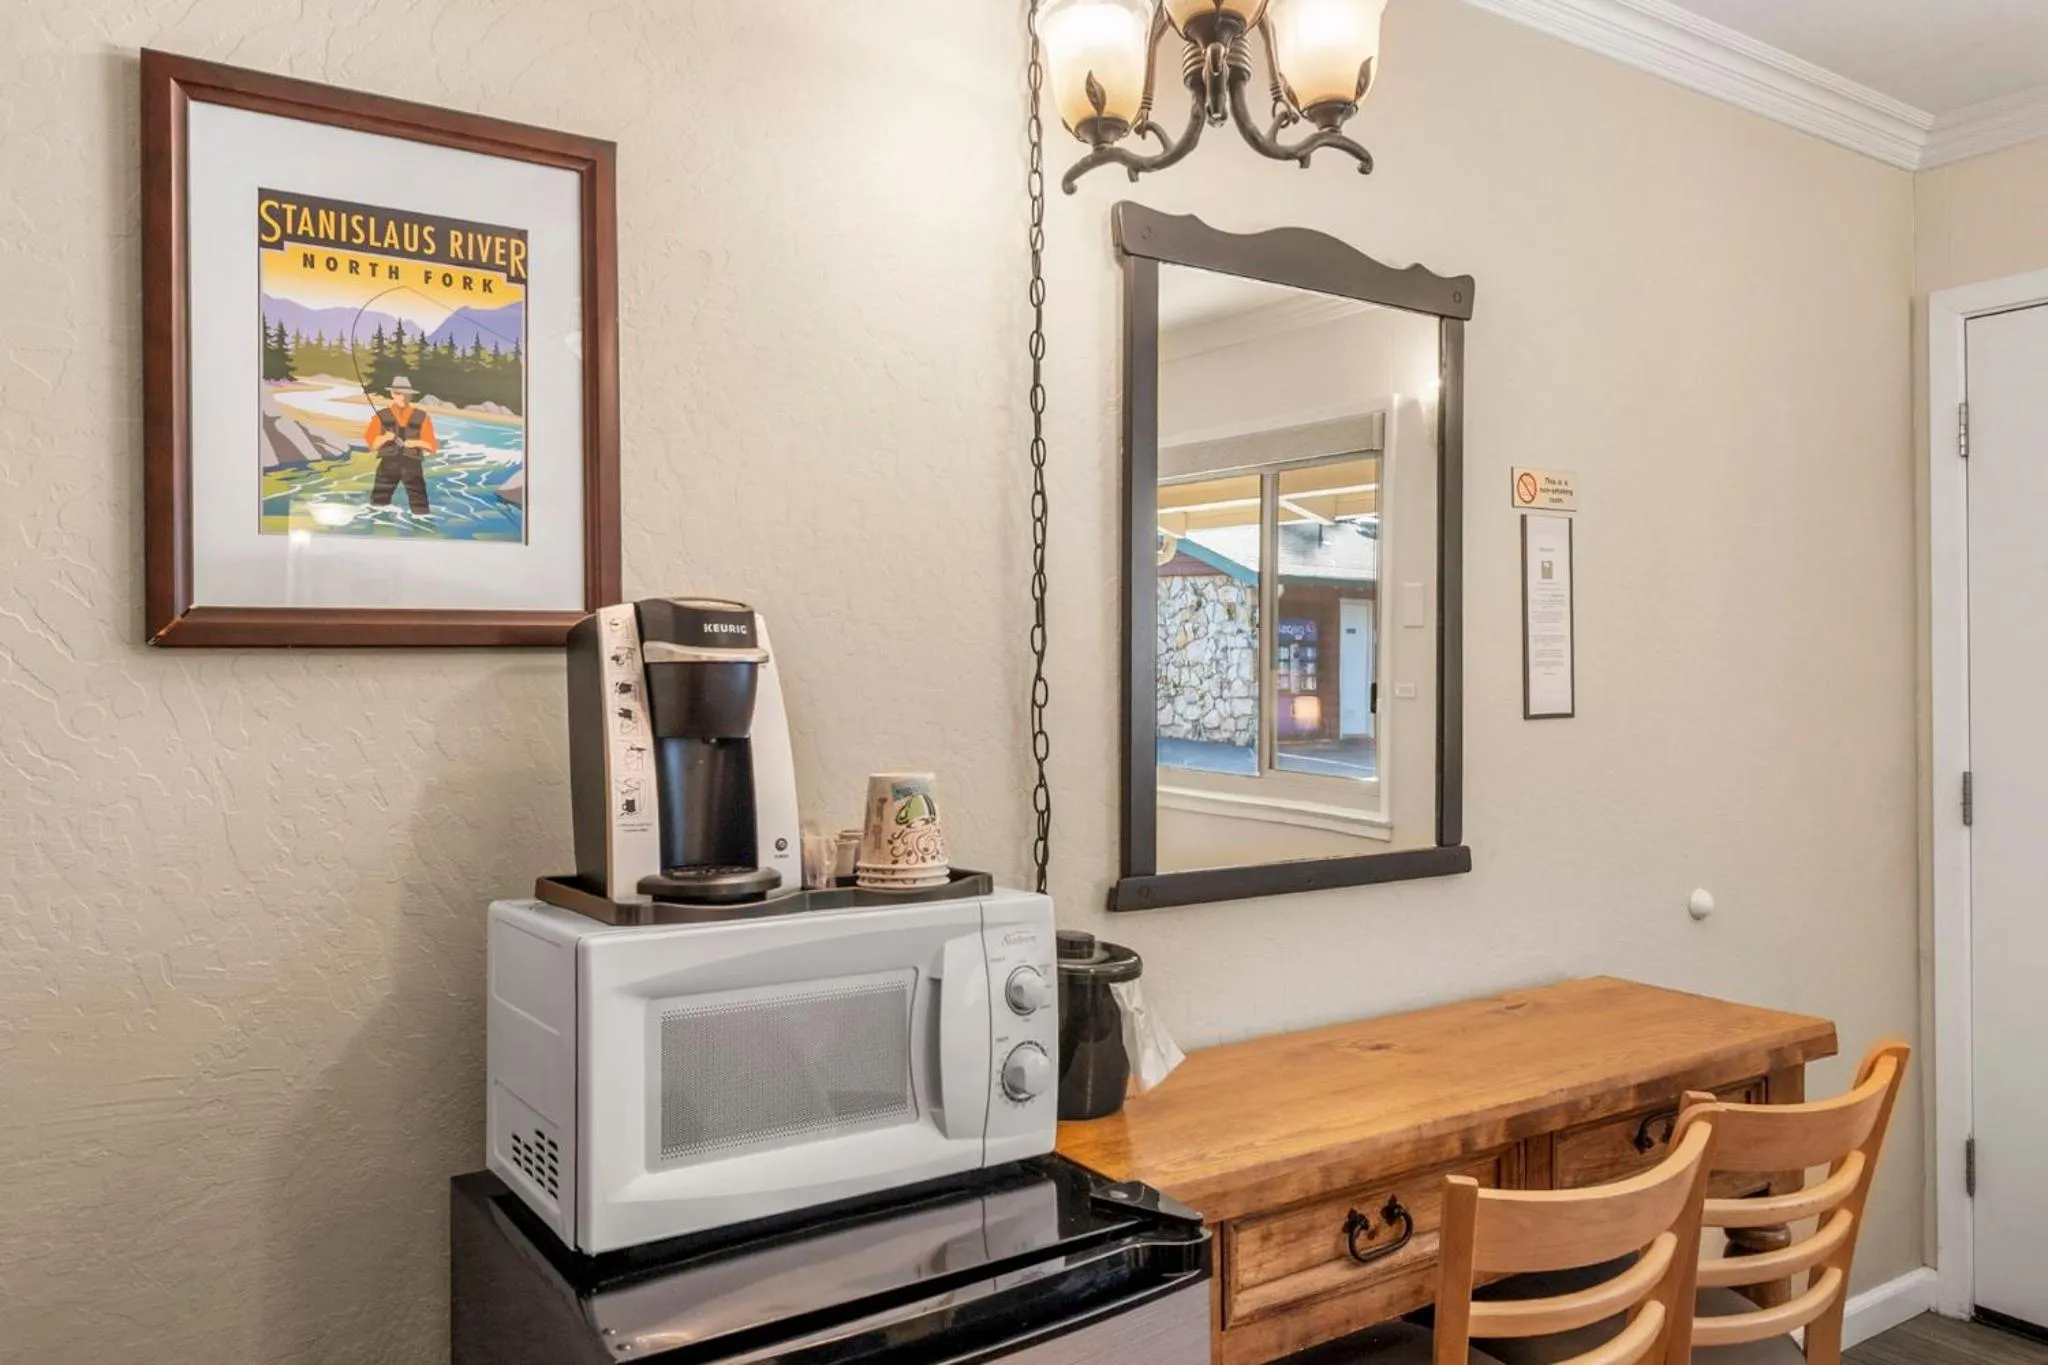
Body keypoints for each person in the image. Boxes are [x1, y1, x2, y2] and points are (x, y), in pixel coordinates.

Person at [363, 376, 438, 514]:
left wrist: (415, 443)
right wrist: (385, 437)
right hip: (387, 465)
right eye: (398, 393)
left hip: (412, 466)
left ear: (411, 396)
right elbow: (372, 444)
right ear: (392, 394)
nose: (402, 397)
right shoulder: (380, 416)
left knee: (420, 508)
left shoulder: (422, 416)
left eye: (406, 394)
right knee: (378, 504)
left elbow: (431, 446)